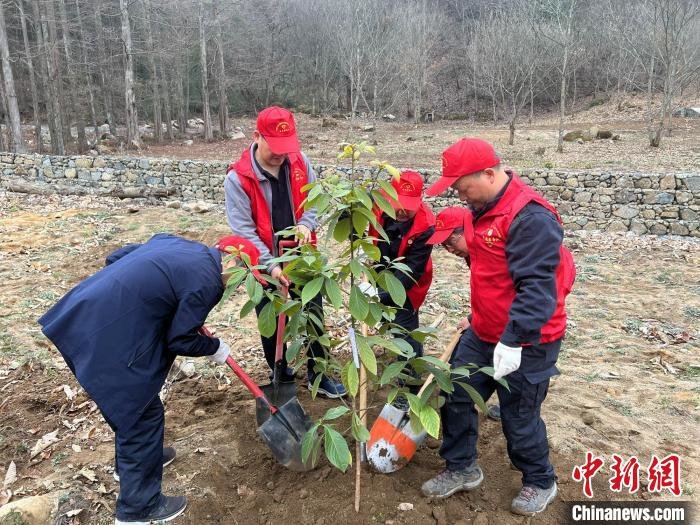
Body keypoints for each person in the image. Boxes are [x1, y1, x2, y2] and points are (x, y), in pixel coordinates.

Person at [38, 233, 259, 524]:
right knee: (141, 413)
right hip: (109, 339)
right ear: (232, 260)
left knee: (132, 406)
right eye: (244, 276)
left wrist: (157, 299)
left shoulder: (178, 245)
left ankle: (134, 464)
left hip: (80, 314)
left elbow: (117, 257)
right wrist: (214, 347)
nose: (240, 284)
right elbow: (179, 340)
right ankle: (138, 508)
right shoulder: (209, 281)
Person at [420, 138, 576, 516]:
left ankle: (540, 480)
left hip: (529, 339)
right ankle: (461, 468)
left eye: (462, 187)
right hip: (483, 332)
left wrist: (513, 339)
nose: (460, 196)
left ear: (489, 174)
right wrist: (478, 316)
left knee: (518, 416)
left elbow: (539, 290)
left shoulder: (530, 217)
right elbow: (492, 275)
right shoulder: (479, 210)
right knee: (457, 393)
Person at [224, 106, 346, 398]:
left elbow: (314, 202)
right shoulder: (238, 179)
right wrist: (271, 267)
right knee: (271, 320)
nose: (281, 154)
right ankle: (280, 373)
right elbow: (244, 234)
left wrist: (305, 224)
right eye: (275, 147)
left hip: (302, 258)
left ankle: (320, 373)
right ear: (256, 137)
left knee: (314, 313)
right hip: (264, 264)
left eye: (286, 146)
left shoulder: (300, 162)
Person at [364, 170, 435, 405]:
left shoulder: (426, 225)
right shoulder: (376, 204)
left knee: (405, 328)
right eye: (398, 204)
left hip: (410, 281)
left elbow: (413, 271)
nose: (403, 211)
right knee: (387, 322)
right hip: (380, 268)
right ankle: (390, 358)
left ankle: (410, 388)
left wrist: (382, 295)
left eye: (409, 206)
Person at [426, 206, 501, 422]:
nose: (449, 249)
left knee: (516, 392)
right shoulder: (473, 255)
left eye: (450, 241)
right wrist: (472, 318)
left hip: (517, 329)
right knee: (458, 387)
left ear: (467, 229)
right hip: (486, 324)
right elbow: (488, 293)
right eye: (443, 245)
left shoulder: (495, 249)